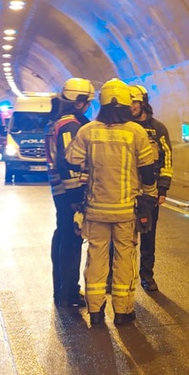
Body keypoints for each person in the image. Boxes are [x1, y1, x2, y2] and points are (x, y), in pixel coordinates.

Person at [65, 78, 158, 327]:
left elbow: (71, 159)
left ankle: (95, 311)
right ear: (127, 103)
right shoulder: (136, 132)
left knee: (96, 257)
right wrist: (148, 198)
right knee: (124, 258)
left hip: (96, 210)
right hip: (126, 211)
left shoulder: (88, 131)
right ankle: (123, 312)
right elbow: (148, 170)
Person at [45, 77, 94, 308]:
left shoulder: (56, 122)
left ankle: (60, 289)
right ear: (79, 102)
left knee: (62, 235)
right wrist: (76, 198)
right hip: (68, 193)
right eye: (88, 102)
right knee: (72, 239)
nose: (89, 107)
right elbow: (69, 162)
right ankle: (69, 293)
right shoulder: (71, 126)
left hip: (59, 189)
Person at [130, 85, 173, 292]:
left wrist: (162, 188)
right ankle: (114, 275)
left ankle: (147, 275)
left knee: (148, 235)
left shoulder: (157, 129)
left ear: (143, 103)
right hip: (126, 191)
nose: (131, 106)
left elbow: (167, 159)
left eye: (134, 102)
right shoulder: (123, 128)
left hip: (150, 192)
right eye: (128, 102)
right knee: (120, 236)